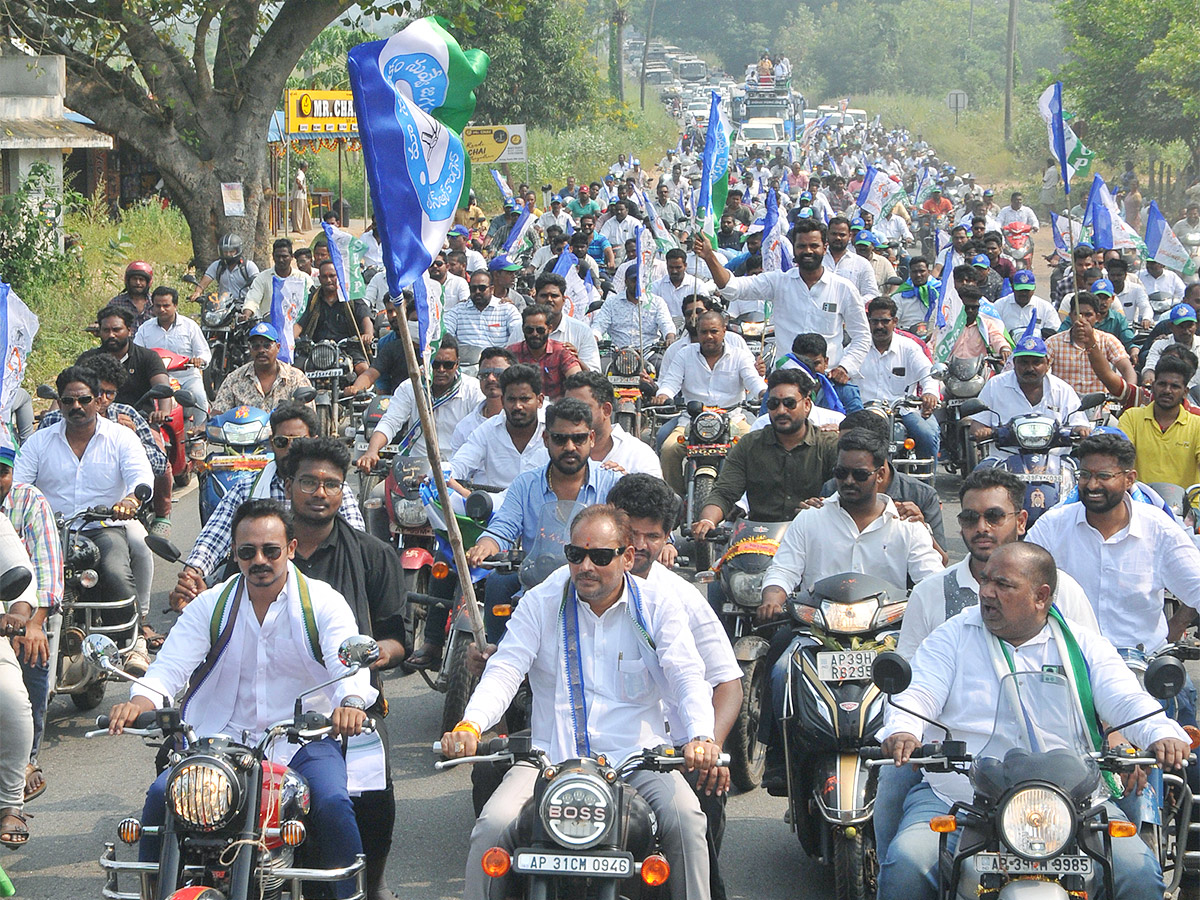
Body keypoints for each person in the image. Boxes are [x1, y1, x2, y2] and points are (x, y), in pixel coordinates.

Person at [877, 541, 1188, 900]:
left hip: (1073, 802)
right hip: (961, 795)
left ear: (1041, 596)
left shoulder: (1083, 644)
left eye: (1003, 585)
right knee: (906, 863)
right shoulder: (953, 635)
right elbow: (918, 693)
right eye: (985, 580)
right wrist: (904, 729)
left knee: (1138, 873)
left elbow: (1126, 697)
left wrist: (1161, 732)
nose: (987, 593)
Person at [442, 504, 720, 900]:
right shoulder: (541, 601)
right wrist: (471, 724)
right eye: (576, 555)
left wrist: (701, 737)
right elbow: (506, 668)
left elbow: (687, 674)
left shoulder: (658, 605)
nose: (585, 566)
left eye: (600, 556)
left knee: (688, 820)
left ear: (627, 557)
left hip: (636, 760)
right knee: (491, 825)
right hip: (550, 761)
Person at [109, 500, 373, 900]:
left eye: (271, 550)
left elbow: (347, 662)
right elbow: (168, 668)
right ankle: (153, 893)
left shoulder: (322, 601)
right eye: (247, 552)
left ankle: (349, 895)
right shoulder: (211, 604)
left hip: (302, 742)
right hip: (219, 743)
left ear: (291, 548)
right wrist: (140, 702)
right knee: (162, 795)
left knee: (334, 805)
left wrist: (350, 702)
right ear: (235, 554)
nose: (259, 560)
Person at [605, 474, 742, 900]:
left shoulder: (681, 598)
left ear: (668, 539)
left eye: (654, 535)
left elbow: (728, 683)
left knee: (694, 821)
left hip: (671, 755)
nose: (641, 546)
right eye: (631, 534)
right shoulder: (570, 585)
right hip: (588, 753)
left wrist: (708, 748)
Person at [282, 439, 408, 900]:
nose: (320, 492)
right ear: (287, 485)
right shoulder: (263, 553)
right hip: (270, 707)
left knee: (374, 804)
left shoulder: (372, 555)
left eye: (331, 484)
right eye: (309, 482)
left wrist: (368, 658)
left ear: (343, 491)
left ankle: (371, 883)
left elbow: (400, 637)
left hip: (352, 709)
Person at [15, 367, 153, 676]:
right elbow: (19, 483)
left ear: (99, 401)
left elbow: (140, 475)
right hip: (49, 533)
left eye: (84, 400)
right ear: (60, 404)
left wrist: (131, 500)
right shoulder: (40, 442)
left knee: (117, 571)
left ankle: (133, 640)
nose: (76, 407)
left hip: (103, 528)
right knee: (21, 580)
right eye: (68, 401)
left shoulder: (121, 437)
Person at [174, 404, 365, 608]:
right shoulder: (246, 489)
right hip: (258, 590)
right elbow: (214, 537)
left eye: (299, 441)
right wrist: (192, 574)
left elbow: (357, 538)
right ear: (272, 444)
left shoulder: (331, 490)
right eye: (282, 442)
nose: (291, 449)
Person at [463, 398, 621, 644]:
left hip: (595, 587)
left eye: (578, 438)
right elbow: (503, 527)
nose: (570, 446)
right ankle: (495, 656)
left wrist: (666, 544)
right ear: (546, 439)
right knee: (496, 585)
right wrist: (486, 545)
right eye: (560, 439)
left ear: (591, 438)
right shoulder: (525, 484)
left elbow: (638, 526)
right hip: (537, 588)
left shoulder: (612, 483)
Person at [1028, 432, 1200, 655]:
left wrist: (1176, 626)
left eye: (1104, 476)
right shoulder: (1052, 526)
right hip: (1071, 663)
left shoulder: (1160, 529)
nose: (1092, 485)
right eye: (1085, 474)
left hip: (1143, 666)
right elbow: (1019, 580)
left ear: (1129, 479)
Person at [694, 219, 871, 387]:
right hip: (785, 383)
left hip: (828, 383)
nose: (808, 251)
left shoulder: (844, 288)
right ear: (794, 249)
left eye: (814, 246)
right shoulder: (779, 282)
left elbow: (862, 336)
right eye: (802, 246)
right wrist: (709, 257)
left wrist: (845, 367)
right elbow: (732, 288)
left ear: (825, 248)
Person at [692, 368, 839, 539]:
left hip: (812, 538)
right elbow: (724, 493)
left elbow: (845, 493)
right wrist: (708, 521)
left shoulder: (829, 445)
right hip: (757, 541)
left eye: (790, 403)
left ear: (806, 405)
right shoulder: (749, 445)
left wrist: (823, 506)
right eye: (773, 404)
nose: (781, 411)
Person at [0, 442, 61, 806]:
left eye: (2, 472)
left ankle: (21, 770)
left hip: (19, 616)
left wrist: (29, 621)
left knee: (18, 689)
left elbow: (41, 572)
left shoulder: (29, 503)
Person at [654, 310, 766, 495]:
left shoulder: (740, 355)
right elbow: (670, 383)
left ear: (724, 331)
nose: (709, 336)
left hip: (733, 420)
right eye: (704, 332)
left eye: (714, 331)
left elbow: (753, 381)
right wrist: (664, 395)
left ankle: (746, 499)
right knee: (668, 449)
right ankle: (675, 500)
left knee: (756, 448)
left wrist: (763, 394)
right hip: (691, 422)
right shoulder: (684, 354)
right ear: (697, 333)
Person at [817, 409, 947, 556]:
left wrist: (921, 530)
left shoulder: (922, 496)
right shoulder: (833, 488)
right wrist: (814, 517)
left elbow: (941, 563)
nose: (849, 481)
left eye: (853, 444)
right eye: (841, 446)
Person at [355, 336, 484, 476]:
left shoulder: (474, 390)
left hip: (459, 471)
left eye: (448, 365)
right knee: (376, 496)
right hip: (415, 469)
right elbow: (390, 422)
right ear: (425, 362)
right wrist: (372, 451)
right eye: (435, 364)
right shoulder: (409, 387)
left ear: (457, 364)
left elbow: (483, 433)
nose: (441, 370)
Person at [855, 296, 940, 466]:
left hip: (904, 411)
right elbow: (844, 373)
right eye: (875, 321)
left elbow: (928, 373)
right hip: (864, 412)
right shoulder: (857, 347)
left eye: (884, 321)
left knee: (927, 435)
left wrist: (930, 393)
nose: (879, 326)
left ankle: (925, 484)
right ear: (868, 322)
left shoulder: (909, 347)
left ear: (895, 321)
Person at [969, 334, 1088, 454]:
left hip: (1056, 464)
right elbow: (977, 424)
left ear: (1047, 363)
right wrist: (982, 431)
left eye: (1036, 363)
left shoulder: (1062, 389)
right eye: (1024, 363)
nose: (1030, 368)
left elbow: (1079, 424)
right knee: (980, 471)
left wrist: (1082, 430)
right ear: (1014, 363)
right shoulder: (995, 385)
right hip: (1004, 463)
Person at [449, 364, 547, 493]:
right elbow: (460, 465)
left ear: (539, 401)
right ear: (502, 400)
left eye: (524, 399)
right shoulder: (487, 430)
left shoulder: (554, 429)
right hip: (496, 509)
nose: (518, 406)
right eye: (511, 399)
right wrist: (441, 474)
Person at [1117, 353, 1200, 489]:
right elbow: (1119, 459)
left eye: (1175, 386)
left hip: (1187, 506)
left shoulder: (1197, 425)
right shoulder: (1131, 417)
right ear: (1154, 386)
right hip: (1140, 503)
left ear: (1185, 392)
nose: (1167, 390)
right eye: (1162, 384)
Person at [134, 285, 210, 429]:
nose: (162, 309)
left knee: (199, 398)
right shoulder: (145, 328)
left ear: (175, 305)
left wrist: (199, 360)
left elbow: (204, 352)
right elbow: (137, 352)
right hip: (156, 378)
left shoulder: (190, 326)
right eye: (158, 306)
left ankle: (199, 435)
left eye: (166, 305)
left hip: (187, 376)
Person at [564, 371, 663, 477]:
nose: (572, 415)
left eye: (581, 408)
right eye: (568, 408)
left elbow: (654, 492)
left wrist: (626, 483)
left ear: (606, 410)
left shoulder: (639, 456)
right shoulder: (553, 453)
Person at [1046, 292, 1136, 399]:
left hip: (1100, 406)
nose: (1082, 320)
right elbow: (1042, 372)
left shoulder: (1108, 340)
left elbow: (1127, 368)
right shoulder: (1053, 343)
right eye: (1078, 314)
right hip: (1064, 404)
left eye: (1088, 315)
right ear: (1070, 316)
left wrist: (1130, 395)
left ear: (1097, 317)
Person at [211, 322, 313, 415]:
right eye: (256, 346)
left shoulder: (296, 378)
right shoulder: (234, 379)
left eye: (267, 346)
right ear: (249, 349)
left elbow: (308, 417)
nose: (261, 350)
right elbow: (217, 415)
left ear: (278, 347)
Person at [296, 261, 374, 374]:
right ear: (319, 278)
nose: (328, 280)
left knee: (363, 369)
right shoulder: (312, 299)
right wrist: (289, 341)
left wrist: (368, 334)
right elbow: (299, 325)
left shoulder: (350, 297)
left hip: (348, 347)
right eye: (324, 276)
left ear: (339, 276)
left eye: (332, 276)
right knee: (295, 371)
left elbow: (365, 317)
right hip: (316, 349)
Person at [447, 348, 515, 456]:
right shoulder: (465, 427)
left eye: (498, 374)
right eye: (485, 374)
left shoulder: (529, 418)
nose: (491, 379)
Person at [507, 303, 581, 400]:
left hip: (555, 410)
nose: (535, 334)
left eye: (540, 330)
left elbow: (578, 382)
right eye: (529, 330)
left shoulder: (562, 352)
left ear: (549, 329)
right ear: (523, 329)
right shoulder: (511, 353)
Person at [591, 268, 676, 350]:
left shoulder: (657, 302)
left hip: (648, 352)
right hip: (618, 352)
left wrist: (670, 337)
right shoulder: (612, 302)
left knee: (660, 364)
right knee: (600, 364)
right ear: (626, 282)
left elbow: (666, 323)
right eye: (634, 280)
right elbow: (599, 324)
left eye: (640, 280)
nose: (637, 284)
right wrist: (593, 338)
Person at [533, 273, 600, 371]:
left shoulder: (582, 331)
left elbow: (595, 376)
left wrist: (574, 359)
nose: (549, 300)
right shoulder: (522, 329)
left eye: (554, 296)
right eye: (544, 296)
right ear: (535, 299)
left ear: (564, 300)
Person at [442, 270, 523, 350]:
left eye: (482, 288)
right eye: (473, 288)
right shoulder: (458, 310)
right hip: (466, 361)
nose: (477, 292)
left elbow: (518, 332)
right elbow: (445, 332)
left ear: (491, 289)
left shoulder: (507, 309)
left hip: (498, 359)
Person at [242, 237, 314, 322]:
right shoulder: (262, 278)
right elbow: (252, 300)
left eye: (284, 256)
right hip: (269, 329)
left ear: (291, 257)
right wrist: (246, 315)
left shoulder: (303, 279)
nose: (281, 260)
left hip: (297, 327)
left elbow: (313, 301)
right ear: (273, 256)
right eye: (278, 256)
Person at [190, 233, 260, 302]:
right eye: (225, 252)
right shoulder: (217, 265)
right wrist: (198, 292)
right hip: (223, 307)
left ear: (238, 251)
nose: (228, 254)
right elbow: (203, 283)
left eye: (232, 251)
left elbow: (258, 285)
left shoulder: (248, 266)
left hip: (244, 306)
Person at [1141, 302, 1198, 384]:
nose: (1186, 331)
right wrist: (1149, 380)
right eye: (1181, 326)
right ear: (1170, 326)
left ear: (1196, 325)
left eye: (1189, 326)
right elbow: (1150, 368)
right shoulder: (1160, 345)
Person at [824, 216, 881, 298]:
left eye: (842, 235)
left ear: (849, 236)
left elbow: (871, 294)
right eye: (834, 234)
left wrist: (851, 305)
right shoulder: (817, 260)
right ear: (827, 234)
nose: (838, 238)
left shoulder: (862, 264)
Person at [651, 247, 716, 318]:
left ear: (685, 266)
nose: (674, 271)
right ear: (666, 265)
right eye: (671, 267)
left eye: (678, 267)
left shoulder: (697, 284)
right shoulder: (656, 286)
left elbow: (705, 310)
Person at [994, 269, 1060, 337]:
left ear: (1034, 288)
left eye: (1027, 290)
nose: (1023, 293)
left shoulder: (1046, 308)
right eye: (1020, 290)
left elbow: (1055, 333)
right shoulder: (999, 306)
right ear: (1013, 287)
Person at [1106, 257, 1153, 329]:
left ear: (1125, 275)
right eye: (1112, 275)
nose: (1115, 279)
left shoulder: (1136, 289)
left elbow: (1145, 307)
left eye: (1119, 275)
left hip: (1129, 329)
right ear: (1108, 275)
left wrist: (1146, 318)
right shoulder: (1102, 290)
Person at [108, 261, 155, 330]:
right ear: (128, 281)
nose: (138, 283)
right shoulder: (116, 303)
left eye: (141, 280)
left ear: (148, 282)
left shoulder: (156, 303)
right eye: (134, 279)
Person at [291, 160, 311, 232]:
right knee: (298, 213)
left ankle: (298, 227)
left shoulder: (299, 172)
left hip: (299, 196)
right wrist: (301, 186)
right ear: (305, 167)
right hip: (299, 196)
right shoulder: (301, 173)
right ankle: (298, 228)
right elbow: (298, 180)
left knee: (298, 212)